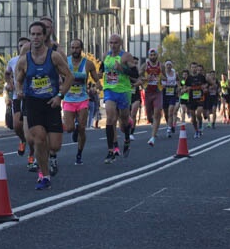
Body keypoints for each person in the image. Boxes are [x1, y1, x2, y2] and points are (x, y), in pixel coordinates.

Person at [14, 21, 72, 189]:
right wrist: (19, 90)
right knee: (38, 139)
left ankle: (46, 159)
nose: (35, 37)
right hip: (33, 103)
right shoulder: (25, 59)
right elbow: (18, 79)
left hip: (51, 103)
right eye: (32, 34)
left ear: (45, 36)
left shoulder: (53, 56)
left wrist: (60, 96)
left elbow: (69, 77)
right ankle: (44, 176)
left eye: (39, 34)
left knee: (54, 145)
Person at [99, 34, 136, 163]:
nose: (113, 45)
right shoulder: (106, 56)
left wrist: (122, 69)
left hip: (124, 91)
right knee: (110, 118)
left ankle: (126, 138)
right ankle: (111, 150)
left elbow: (135, 74)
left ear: (120, 44)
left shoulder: (126, 56)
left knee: (124, 120)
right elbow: (102, 68)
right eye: (111, 43)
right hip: (109, 89)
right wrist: (98, 74)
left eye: (115, 43)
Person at [63, 38, 98, 164]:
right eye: (72, 47)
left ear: (81, 49)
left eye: (77, 47)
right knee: (69, 128)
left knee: (82, 129)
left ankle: (79, 154)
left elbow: (96, 78)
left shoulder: (88, 64)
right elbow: (58, 76)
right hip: (68, 99)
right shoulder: (65, 62)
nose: (74, 50)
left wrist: (98, 85)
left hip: (83, 99)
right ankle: (75, 128)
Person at [142, 49, 164, 146]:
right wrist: (145, 78)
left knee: (157, 113)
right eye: (151, 54)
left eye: (154, 54)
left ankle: (152, 137)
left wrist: (161, 78)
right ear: (149, 56)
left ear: (157, 55)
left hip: (157, 92)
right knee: (149, 115)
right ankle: (152, 123)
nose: (153, 56)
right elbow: (138, 76)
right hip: (148, 92)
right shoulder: (145, 65)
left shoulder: (161, 65)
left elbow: (166, 77)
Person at [161, 60, 180, 137]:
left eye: (170, 65)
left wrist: (178, 87)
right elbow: (159, 83)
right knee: (166, 114)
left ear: (171, 66)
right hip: (164, 94)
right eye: (167, 65)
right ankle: (170, 125)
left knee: (170, 112)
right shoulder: (162, 73)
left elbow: (178, 81)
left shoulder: (175, 73)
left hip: (172, 94)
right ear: (165, 66)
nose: (168, 66)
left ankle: (169, 129)